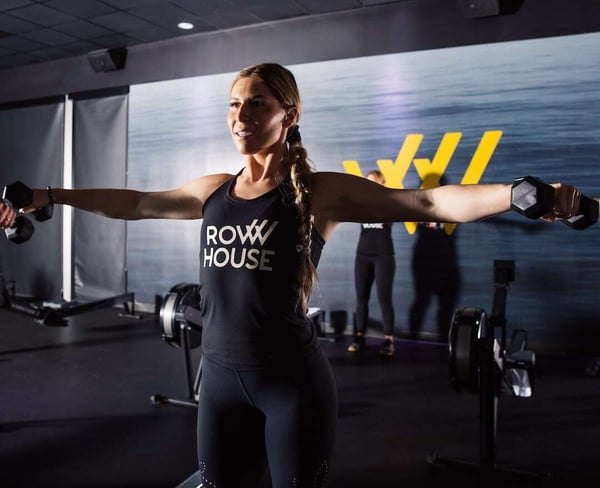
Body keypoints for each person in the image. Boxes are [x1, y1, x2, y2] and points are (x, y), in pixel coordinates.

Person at [0, 62, 588, 488]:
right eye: (234, 104)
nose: (240, 116)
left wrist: (512, 193)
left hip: (294, 389)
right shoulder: (213, 192)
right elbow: (134, 202)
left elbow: (426, 205)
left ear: (289, 113)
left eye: (256, 103)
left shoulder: (317, 194)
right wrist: (52, 194)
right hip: (220, 383)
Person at [348, 169, 396, 356]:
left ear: (381, 183)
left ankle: (389, 341)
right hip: (363, 255)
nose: (368, 184)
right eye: (366, 181)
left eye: (372, 181)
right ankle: (359, 337)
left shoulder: (390, 203)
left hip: (383, 256)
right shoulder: (361, 204)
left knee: (384, 299)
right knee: (361, 298)